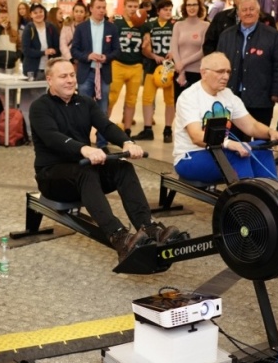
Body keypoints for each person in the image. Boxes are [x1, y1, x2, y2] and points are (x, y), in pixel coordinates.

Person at [29, 58, 184, 263]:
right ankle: (118, 236)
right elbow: (51, 137)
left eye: (72, 75)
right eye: (63, 76)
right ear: (49, 80)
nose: (70, 80)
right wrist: (84, 148)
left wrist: (127, 142)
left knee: (122, 167)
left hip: (83, 171)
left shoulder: (85, 102)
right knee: (86, 171)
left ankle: (148, 227)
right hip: (52, 176)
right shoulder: (40, 107)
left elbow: (106, 126)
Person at [172, 52, 278, 183]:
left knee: (262, 147)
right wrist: (229, 144)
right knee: (236, 154)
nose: (226, 76)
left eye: (228, 72)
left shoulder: (228, 95)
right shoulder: (189, 97)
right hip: (190, 157)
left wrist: (271, 132)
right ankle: (248, 198)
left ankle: (276, 195)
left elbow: (251, 126)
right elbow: (196, 136)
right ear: (204, 73)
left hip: (220, 152)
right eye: (220, 71)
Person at [215, 0, 278, 139]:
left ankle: (257, 162)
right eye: (244, 10)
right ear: (238, 13)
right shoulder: (226, 35)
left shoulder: (272, 35)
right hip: (232, 95)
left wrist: (276, 92)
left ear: (258, 12)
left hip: (261, 97)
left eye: (251, 9)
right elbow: (218, 63)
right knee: (235, 138)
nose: (248, 13)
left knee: (261, 139)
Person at [70, 0, 120, 147]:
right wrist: (88, 56)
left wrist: (106, 57)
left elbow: (117, 51)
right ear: (90, 9)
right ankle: (82, 142)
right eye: (98, 7)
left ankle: (102, 143)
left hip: (103, 74)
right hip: (86, 74)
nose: (101, 10)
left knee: (103, 110)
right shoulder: (81, 28)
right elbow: (74, 51)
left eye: (104, 7)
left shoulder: (112, 28)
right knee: (82, 109)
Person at [109, 0, 147, 137]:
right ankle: (104, 127)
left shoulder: (142, 23)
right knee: (111, 97)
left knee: (132, 99)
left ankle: (127, 130)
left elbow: (147, 37)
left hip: (136, 66)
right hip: (118, 64)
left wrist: (147, 39)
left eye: (135, 6)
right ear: (124, 7)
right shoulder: (117, 22)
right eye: (130, 6)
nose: (132, 9)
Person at [141, 0, 177, 142]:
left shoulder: (176, 25)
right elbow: (145, 48)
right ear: (158, 11)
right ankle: (147, 129)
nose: (168, 12)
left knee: (170, 99)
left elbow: (180, 44)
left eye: (170, 9)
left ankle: (168, 129)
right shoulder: (150, 25)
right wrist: (153, 55)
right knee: (147, 98)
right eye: (165, 9)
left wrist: (174, 52)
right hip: (152, 65)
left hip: (169, 67)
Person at [203, 0, 274, 56]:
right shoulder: (221, 18)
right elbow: (209, 44)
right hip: (226, 63)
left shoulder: (266, 19)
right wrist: (215, 62)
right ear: (234, 0)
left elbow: (274, 46)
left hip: (258, 63)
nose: (244, 0)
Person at [170, 0, 209, 105]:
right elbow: (174, 47)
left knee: (196, 106)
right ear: (184, 7)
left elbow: (203, 50)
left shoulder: (205, 26)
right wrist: (181, 70)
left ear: (199, 7)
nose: (191, 8)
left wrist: (183, 63)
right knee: (180, 106)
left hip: (197, 72)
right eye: (189, 5)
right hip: (179, 72)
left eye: (194, 5)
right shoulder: (178, 25)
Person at [22, 2, 60, 80]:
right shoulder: (29, 29)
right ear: (31, 15)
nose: (38, 14)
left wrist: (53, 51)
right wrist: (43, 52)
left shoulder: (51, 27)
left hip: (49, 70)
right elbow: (26, 50)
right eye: (35, 13)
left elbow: (57, 47)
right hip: (32, 70)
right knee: (33, 91)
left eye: (40, 12)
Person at [0, 9, 20, 74]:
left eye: (6, 17)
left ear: (9, 18)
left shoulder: (14, 32)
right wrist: (0, 28)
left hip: (11, 65)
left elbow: (19, 46)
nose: (4, 19)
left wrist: (16, 56)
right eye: (2, 17)